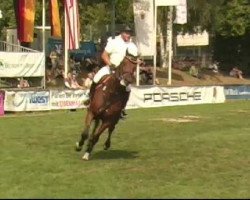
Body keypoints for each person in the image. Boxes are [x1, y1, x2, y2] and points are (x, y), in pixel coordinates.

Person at [85, 25, 138, 119]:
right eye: (126, 33)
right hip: (111, 67)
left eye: (129, 33)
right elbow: (104, 55)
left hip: (124, 73)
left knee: (128, 89)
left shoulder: (133, 46)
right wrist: (110, 64)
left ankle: (122, 109)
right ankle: (90, 98)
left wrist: (137, 63)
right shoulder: (113, 42)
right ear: (121, 33)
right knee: (97, 77)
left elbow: (135, 60)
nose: (128, 35)